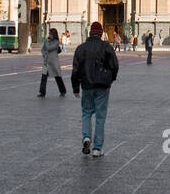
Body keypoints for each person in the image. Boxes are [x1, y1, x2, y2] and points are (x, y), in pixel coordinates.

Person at [72, 21, 119, 157]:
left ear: (90, 32)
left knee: (86, 113)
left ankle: (86, 138)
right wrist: (110, 79)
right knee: (100, 116)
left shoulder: (81, 48)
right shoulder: (106, 46)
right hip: (102, 86)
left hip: (86, 85)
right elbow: (115, 66)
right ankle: (97, 149)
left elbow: (75, 70)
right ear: (101, 33)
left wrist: (76, 88)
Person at [39, 28, 66, 97]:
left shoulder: (56, 42)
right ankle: (42, 92)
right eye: (49, 33)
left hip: (53, 62)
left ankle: (63, 91)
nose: (49, 35)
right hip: (46, 62)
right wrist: (44, 55)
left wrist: (47, 42)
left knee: (57, 77)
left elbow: (48, 48)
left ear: (53, 34)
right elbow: (43, 49)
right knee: (43, 77)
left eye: (50, 34)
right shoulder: (47, 41)